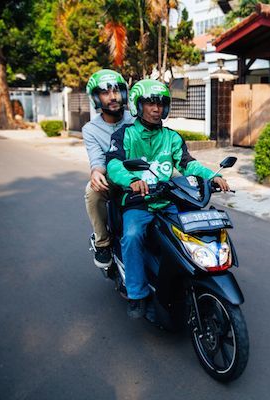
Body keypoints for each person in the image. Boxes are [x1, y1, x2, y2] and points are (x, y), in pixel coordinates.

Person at [106, 79, 229, 319]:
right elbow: (113, 164)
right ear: (138, 106)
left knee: (191, 233)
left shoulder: (171, 137)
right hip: (137, 201)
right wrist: (131, 181)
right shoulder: (125, 135)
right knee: (132, 236)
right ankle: (137, 294)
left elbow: (187, 163)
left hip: (167, 200)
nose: (156, 109)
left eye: (161, 104)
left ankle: (187, 279)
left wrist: (213, 177)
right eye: (150, 104)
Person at [83, 69, 134, 268]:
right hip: (114, 179)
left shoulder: (137, 119)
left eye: (117, 90)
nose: (113, 97)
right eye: (105, 92)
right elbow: (97, 161)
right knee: (92, 191)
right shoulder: (91, 129)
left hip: (145, 176)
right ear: (96, 97)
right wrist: (96, 173)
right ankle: (102, 242)